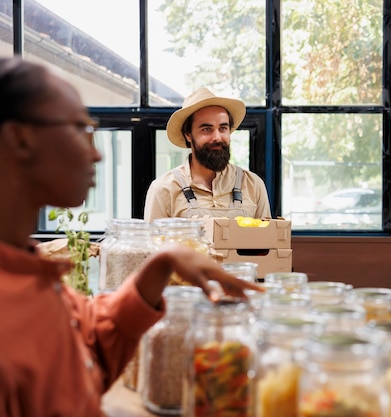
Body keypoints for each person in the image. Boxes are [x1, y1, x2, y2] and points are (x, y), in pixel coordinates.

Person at [0, 57, 263, 416]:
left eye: (224, 127)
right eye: (80, 128)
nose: (95, 152)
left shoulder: (33, 275)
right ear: (21, 139)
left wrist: (160, 265)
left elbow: (90, 344)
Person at [143, 87, 271, 222]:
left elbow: (267, 240)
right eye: (206, 129)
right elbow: (153, 242)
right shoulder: (164, 189)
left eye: (223, 128)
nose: (217, 137)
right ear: (188, 135)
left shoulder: (253, 185)